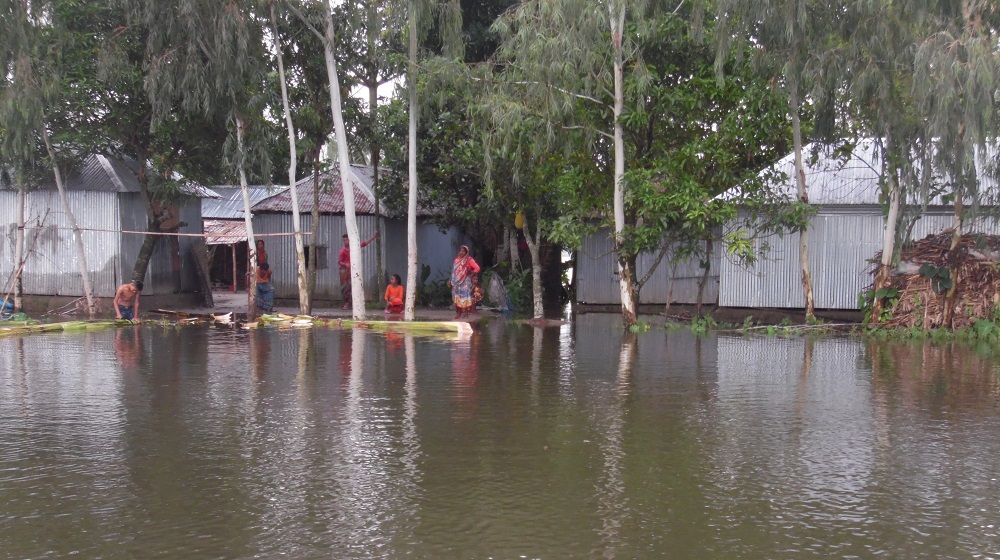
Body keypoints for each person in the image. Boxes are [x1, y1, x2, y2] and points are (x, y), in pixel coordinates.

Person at [338, 231, 378, 310]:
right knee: (346, 287)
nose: (345, 242)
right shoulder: (342, 251)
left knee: (355, 286)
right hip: (345, 271)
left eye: (347, 240)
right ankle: (346, 303)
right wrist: (345, 264)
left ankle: (354, 303)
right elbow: (339, 261)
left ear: (350, 240)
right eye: (344, 240)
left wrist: (373, 237)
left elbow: (364, 243)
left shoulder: (354, 248)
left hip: (354, 270)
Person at [448, 245, 480, 315]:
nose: (462, 252)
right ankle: (458, 312)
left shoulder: (469, 260)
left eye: (464, 251)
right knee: (456, 297)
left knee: (464, 296)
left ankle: (465, 313)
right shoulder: (457, 260)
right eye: (461, 251)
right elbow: (454, 271)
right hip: (456, 282)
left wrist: (471, 274)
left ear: (466, 252)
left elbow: (477, 268)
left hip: (465, 281)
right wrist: (450, 280)